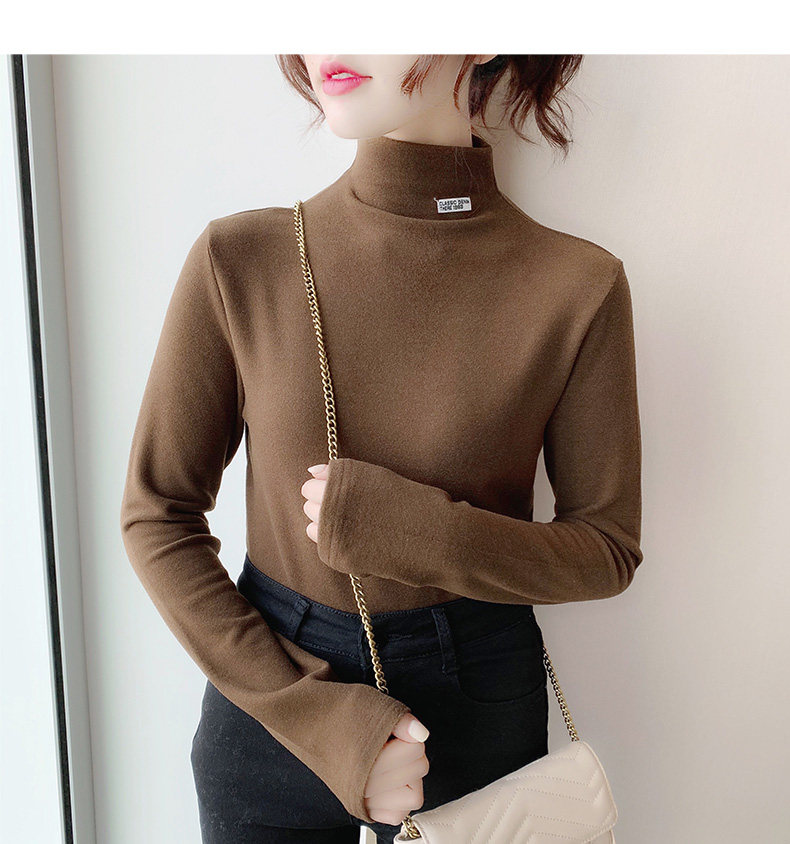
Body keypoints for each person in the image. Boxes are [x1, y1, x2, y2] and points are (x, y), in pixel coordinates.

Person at [120, 54, 643, 844]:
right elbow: (156, 516)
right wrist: (316, 717)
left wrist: (425, 534)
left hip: (476, 693)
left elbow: (607, 551)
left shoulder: (579, 285)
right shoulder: (242, 260)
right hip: (271, 689)